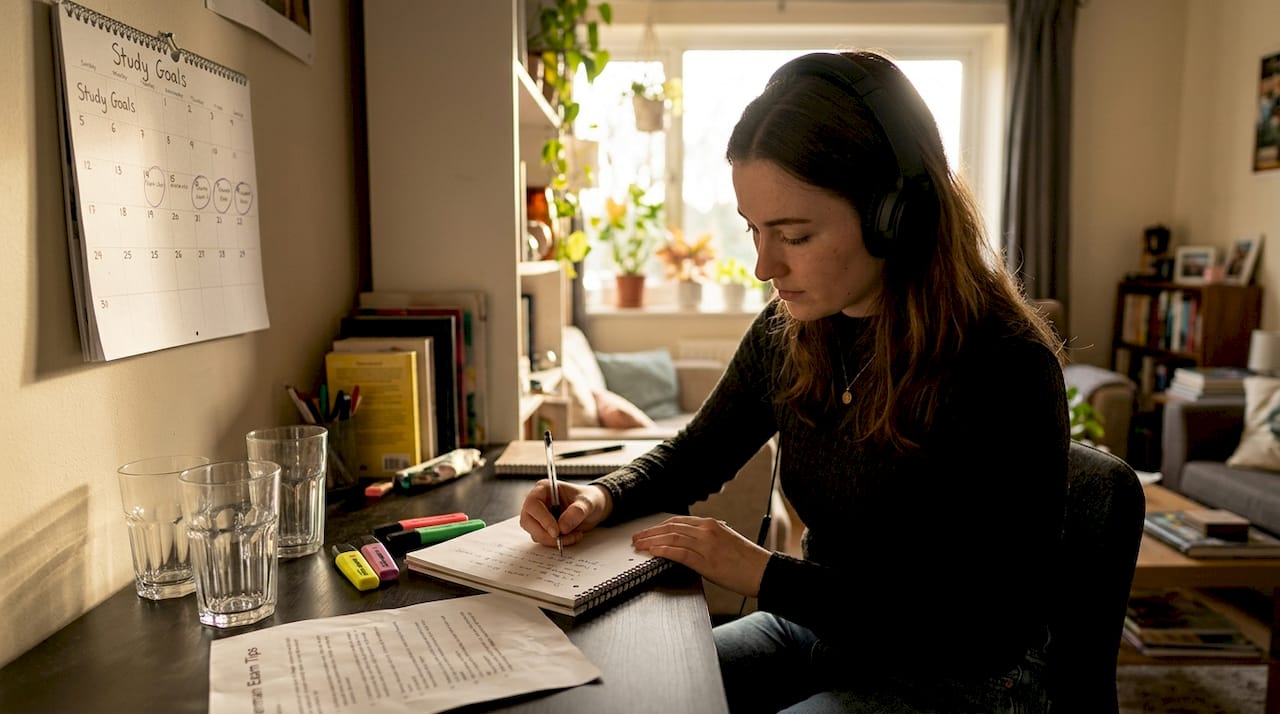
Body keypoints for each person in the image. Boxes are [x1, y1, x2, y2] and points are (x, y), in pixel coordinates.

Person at [520, 50, 1067, 713]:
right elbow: (694, 457)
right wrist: (600, 497)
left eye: (795, 235)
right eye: (754, 230)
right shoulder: (793, 333)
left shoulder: (1002, 364)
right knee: (628, 693)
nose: (763, 266)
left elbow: (980, 626)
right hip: (825, 630)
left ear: (895, 214)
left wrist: (764, 574)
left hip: (961, 678)